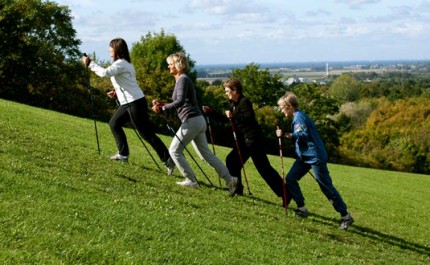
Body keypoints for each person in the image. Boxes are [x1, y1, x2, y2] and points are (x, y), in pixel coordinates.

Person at [82, 38, 174, 175]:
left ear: (117, 49)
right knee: (114, 123)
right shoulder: (124, 64)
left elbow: (104, 73)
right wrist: (116, 92)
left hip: (135, 103)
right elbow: (126, 83)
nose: (109, 51)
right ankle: (123, 155)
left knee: (146, 133)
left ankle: (168, 160)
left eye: (110, 48)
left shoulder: (121, 64)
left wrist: (90, 64)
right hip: (129, 102)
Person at [152, 52, 238, 196]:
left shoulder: (182, 80)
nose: (168, 66)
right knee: (206, 155)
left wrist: (163, 108)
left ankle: (191, 180)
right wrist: (163, 104)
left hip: (191, 121)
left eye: (171, 64)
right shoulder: (182, 79)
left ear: (178, 65)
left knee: (174, 150)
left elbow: (179, 102)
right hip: (198, 120)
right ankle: (230, 180)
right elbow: (181, 102)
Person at [276, 92, 354, 230]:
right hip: (304, 158)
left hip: (315, 156)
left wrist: (286, 135)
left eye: (282, 107)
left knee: (326, 186)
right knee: (291, 178)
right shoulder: (297, 117)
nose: (281, 111)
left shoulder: (299, 117)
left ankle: (345, 216)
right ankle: (302, 208)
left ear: (289, 106)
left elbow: (303, 134)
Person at [203, 78, 286, 203]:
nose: (226, 93)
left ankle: (286, 194)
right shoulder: (234, 104)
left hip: (253, 140)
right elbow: (227, 120)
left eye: (227, 91)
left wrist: (233, 116)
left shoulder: (244, 102)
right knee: (233, 161)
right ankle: (237, 188)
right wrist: (211, 113)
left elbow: (248, 117)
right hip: (245, 141)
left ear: (235, 90)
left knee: (264, 169)